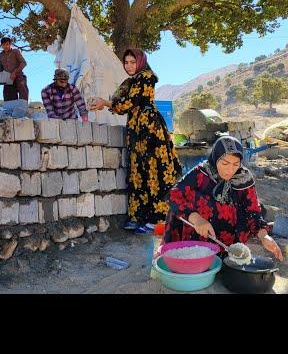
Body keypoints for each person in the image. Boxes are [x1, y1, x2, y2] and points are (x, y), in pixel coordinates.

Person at [89, 48, 181, 233]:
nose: (129, 66)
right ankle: (138, 216)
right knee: (137, 173)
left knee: (154, 172)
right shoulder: (130, 81)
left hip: (150, 131)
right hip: (136, 129)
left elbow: (128, 103)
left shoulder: (147, 76)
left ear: (140, 62)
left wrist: (106, 103)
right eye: (126, 62)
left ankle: (158, 219)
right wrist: (106, 103)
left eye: (133, 62)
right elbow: (121, 101)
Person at [163, 135, 283, 261]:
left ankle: (226, 253)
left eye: (236, 164)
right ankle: (193, 254)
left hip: (229, 235)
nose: (230, 170)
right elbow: (173, 194)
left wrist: (264, 236)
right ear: (216, 158)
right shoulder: (201, 172)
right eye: (225, 163)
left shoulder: (244, 178)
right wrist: (196, 219)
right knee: (183, 201)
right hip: (198, 230)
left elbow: (253, 210)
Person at [0, 37, 29, 101]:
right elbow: (1, 67)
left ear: (10, 44)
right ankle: (10, 110)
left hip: (18, 75)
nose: (5, 46)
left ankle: (23, 107)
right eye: (3, 45)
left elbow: (23, 63)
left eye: (7, 44)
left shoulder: (15, 51)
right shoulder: (0, 55)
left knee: (22, 87)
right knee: (7, 95)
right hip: (8, 78)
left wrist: (15, 72)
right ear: (1, 45)